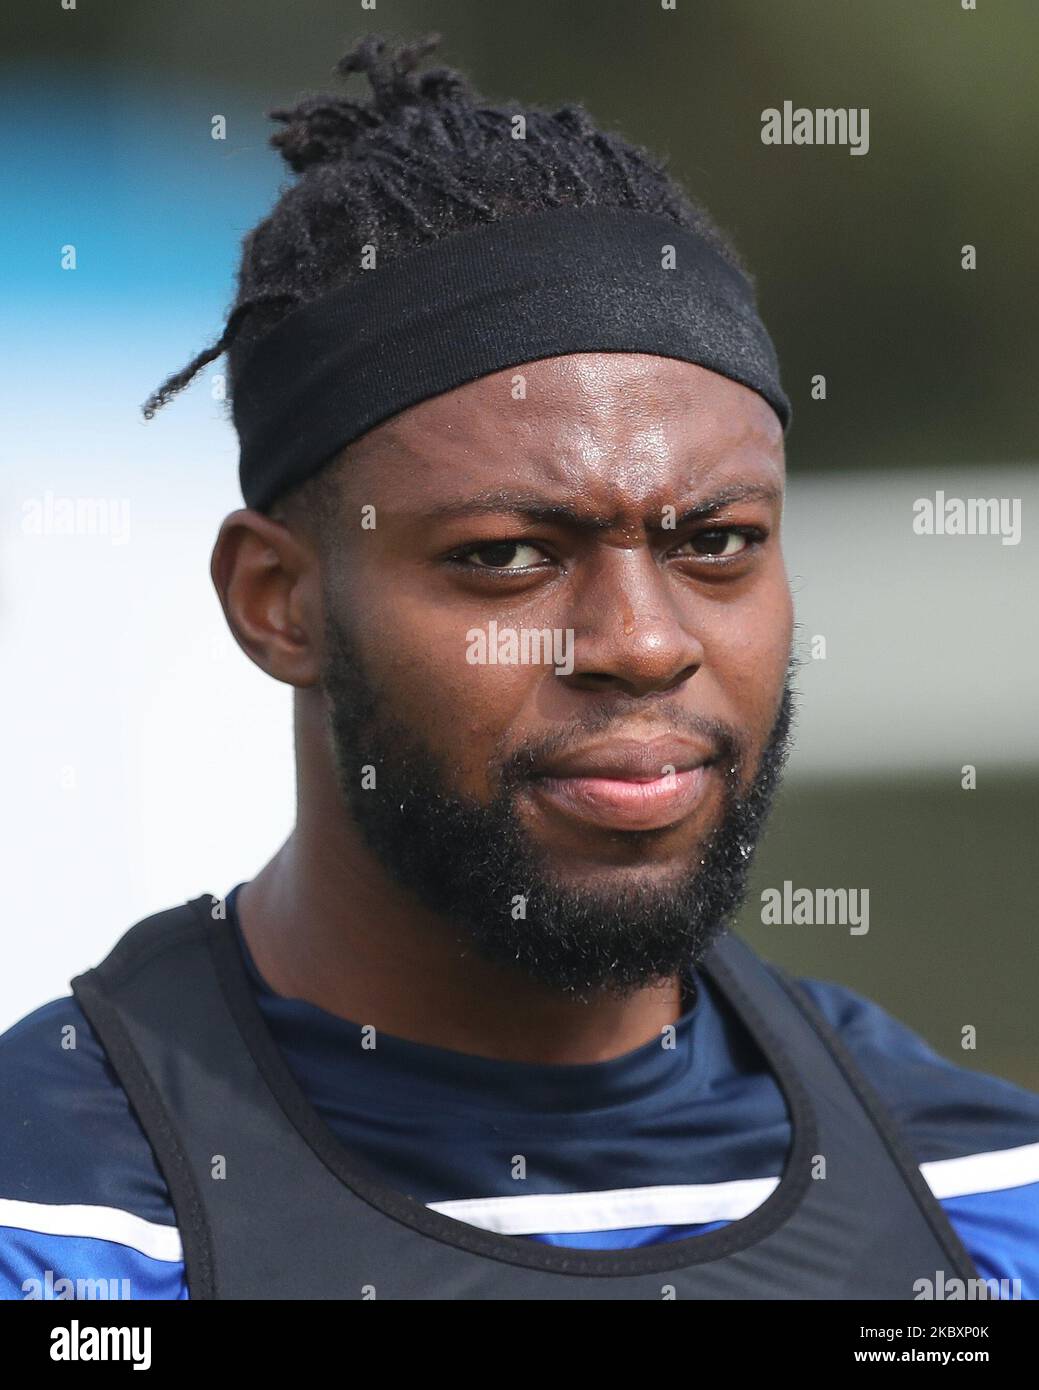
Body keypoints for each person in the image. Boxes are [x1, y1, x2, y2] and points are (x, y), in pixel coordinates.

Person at [2, 33, 1036, 1301]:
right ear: (278, 604)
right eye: (504, 556)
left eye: (715, 543)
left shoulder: (983, 1204)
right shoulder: (62, 1220)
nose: (645, 643)